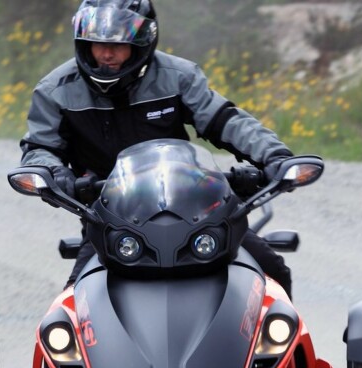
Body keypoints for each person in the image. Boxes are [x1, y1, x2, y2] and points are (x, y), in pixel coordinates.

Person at [20, 0, 296, 297]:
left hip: (194, 210)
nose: (106, 53)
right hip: (109, 219)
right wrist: (53, 173)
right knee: (76, 299)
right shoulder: (55, 91)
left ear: (141, 43)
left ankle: (274, 342)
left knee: (273, 271)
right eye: (96, 44)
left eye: (117, 44)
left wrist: (274, 155)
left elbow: (225, 120)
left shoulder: (179, 76)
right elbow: (39, 147)